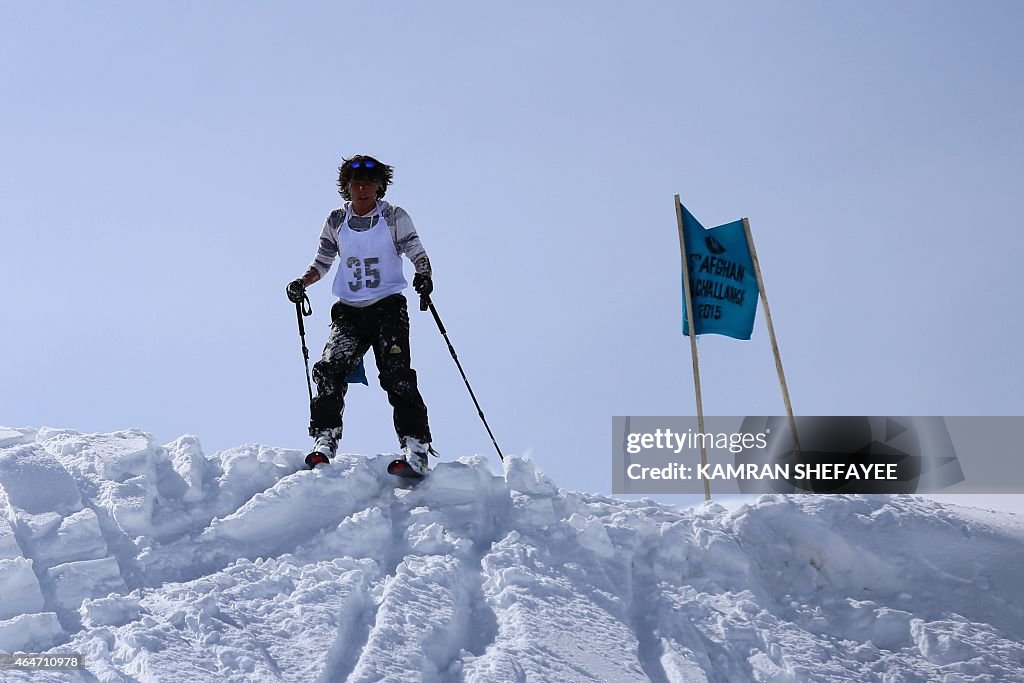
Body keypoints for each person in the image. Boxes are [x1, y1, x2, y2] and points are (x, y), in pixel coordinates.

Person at [286, 155, 434, 474]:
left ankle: (415, 447)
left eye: (370, 182)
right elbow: (322, 261)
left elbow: (416, 251)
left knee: (396, 374)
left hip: (387, 308)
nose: (363, 188)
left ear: (380, 186)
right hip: (349, 312)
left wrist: (424, 275)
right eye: (357, 182)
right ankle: (324, 439)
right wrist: (302, 282)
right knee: (328, 369)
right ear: (347, 186)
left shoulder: (393, 216)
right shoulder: (337, 220)